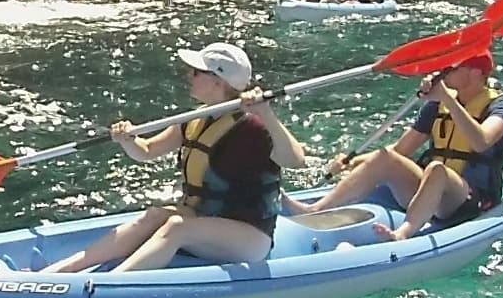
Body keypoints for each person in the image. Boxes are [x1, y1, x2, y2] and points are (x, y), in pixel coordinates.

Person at [41, 41, 314, 273]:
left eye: (196, 72)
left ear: (218, 81)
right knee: (154, 216)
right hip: (206, 219)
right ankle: (59, 272)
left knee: (177, 226)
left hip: (249, 237)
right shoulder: (193, 119)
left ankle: (107, 286)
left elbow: (295, 160)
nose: (188, 75)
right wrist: (128, 139)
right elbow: (146, 152)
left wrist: (266, 113)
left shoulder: (254, 126)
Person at [285, 49, 503, 240]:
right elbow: (401, 150)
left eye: (452, 68)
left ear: (476, 73)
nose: (444, 73)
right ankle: (315, 209)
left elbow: (481, 141)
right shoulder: (439, 105)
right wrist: (351, 162)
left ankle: (403, 233)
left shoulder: (501, 106)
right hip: (431, 189)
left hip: (470, 198)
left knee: (437, 170)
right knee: (386, 157)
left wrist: (446, 99)